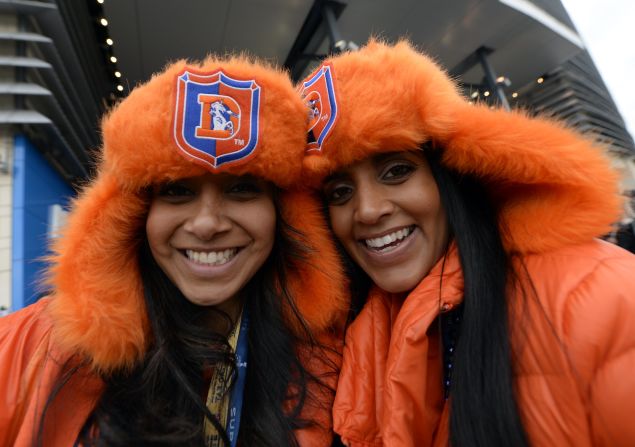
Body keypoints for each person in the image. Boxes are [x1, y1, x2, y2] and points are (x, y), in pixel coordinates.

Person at [298, 40, 635, 446]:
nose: (367, 211)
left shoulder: (600, 291)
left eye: (397, 171)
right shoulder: (339, 340)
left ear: (453, 175)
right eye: (339, 193)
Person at [0, 55, 348, 446]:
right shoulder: (28, 349)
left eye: (242, 188)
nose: (206, 223)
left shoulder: (331, 363)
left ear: (283, 214)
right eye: (177, 191)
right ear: (133, 215)